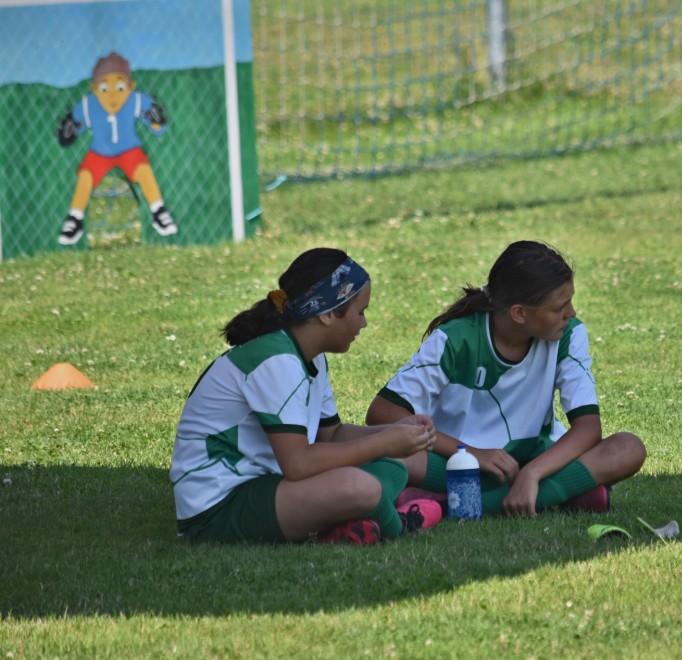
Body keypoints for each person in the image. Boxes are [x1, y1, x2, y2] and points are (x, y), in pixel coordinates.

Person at [170, 248, 441, 545]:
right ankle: (397, 524)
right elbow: (298, 465)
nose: (364, 323)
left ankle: (350, 523)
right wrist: (383, 442)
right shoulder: (276, 359)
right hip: (218, 507)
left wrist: (395, 432)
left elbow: (331, 434)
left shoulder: (310, 355)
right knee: (360, 487)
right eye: (361, 312)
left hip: (266, 485)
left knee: (394, 463)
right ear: (327, 314)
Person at [366, 240, 646, 517]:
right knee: (389, 454)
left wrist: (532, 473)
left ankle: (446, 505)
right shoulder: (456, 338)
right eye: (559, 307)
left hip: (534, 460)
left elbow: (588, 428)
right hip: (458, 464)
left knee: (628, 448)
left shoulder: (568, 334)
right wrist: (473, 454)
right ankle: (560, 493)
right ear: (519, 313)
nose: (571, 313)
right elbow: (383, 412)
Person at [56, 51, 176, 245]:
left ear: (130, 86)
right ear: (94, 89)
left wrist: (156, 123)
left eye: (119, 87)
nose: (112, 94)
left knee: (143, 170)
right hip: (100, 151)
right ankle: (74, 218)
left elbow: (156, 124)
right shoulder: (89, 104)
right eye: (104, 88)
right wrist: (68, 133)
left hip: (128, 149)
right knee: (85, 175)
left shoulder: (135, 100)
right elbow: (72, 130)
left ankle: (159, 211)